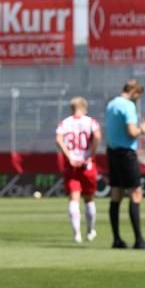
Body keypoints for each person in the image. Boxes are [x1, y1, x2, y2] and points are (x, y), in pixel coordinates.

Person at [105, 80, 145, 250]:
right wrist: (143, 129)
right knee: (136, 193)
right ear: (134, 92)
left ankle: (117, 239)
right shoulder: (128, 106)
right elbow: (131, 132)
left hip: (112, 152)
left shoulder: (111, 104)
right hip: (126, 153)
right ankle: (139, 240)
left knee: (116, 193)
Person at [55, 97, 102, 243]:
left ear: (72, 108)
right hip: (87, 164)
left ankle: (77, 234)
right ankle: (90, 231)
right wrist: (91, 154)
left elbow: (58, 139)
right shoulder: (91, 121)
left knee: (73, 199)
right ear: (84, 108)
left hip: (71, 165)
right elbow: (98, 136)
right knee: (89, 199)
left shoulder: (65, 123)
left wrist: (68, 156)